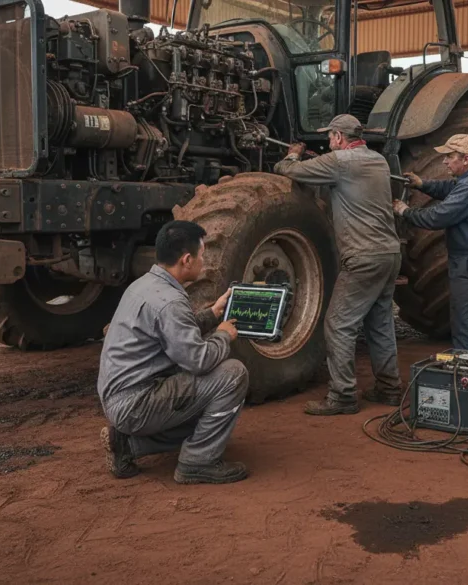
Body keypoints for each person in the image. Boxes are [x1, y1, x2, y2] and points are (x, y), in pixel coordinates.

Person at [97, 220, 250, 485]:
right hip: (135, 403)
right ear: (187, 259)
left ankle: (127, 445)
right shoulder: (170, 302)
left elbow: (173, 331)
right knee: (233, 375)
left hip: (121, 398)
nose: (204, 261)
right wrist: (224, 335)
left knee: (206, 412)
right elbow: (199, 360)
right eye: (202, 256)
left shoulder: (145, 284)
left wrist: (213, 315)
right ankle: (198, 463)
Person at [274, 114, 404, 413]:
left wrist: (293, 155)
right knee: (380, 322)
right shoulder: (377, 162)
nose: (329, 143)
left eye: (331, 138)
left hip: (363, 258)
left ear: (338, 138)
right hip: (389, 255)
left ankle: (343, 395)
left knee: (338, 323)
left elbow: (289, 171)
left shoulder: (340, 163)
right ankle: (389, 388)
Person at [393, 134, 468, 352]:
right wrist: (422, 184)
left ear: (466, 159)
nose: (444, 161)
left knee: (466, 325)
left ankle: (467, 378)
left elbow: (438, 217)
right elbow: (448, 189)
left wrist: (406, 211)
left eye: (449, 156)